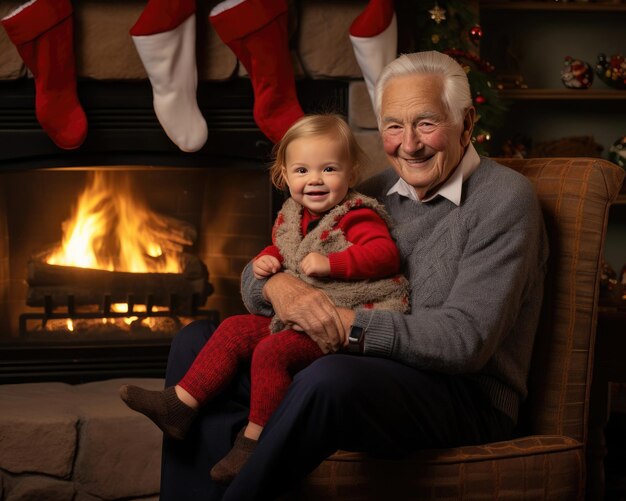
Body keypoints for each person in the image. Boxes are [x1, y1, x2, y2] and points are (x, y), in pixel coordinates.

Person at [159, 50, 549, 501]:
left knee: (328, 381)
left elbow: (466, 342)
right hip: (357, 365)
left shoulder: (504, 199)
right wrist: (276, 284)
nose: (409, 144)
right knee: (197, 341)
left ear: (466, 122)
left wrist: (346, 326)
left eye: (426, 123)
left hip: (462, 396)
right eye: (393, 126)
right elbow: (272, 265)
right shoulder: (371, 190)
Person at [119, 114, 409, 485]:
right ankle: (181, 404)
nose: (315, 180)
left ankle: (254, 441)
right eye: (302, 170)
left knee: (271, 352)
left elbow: (385, 255)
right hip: (299, 314)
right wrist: (268, 259)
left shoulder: (357, 214)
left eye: (329, 168)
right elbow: (285, 249)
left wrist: (331, 262)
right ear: (284, 176)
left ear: (350, 174)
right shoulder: (292, 215)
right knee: (234, 328)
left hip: (345, 316)